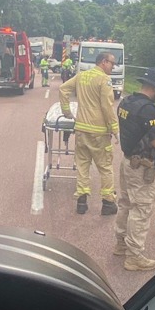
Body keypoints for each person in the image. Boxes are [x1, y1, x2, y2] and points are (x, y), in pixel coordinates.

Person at [115, 68, 155, 271]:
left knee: (125, 203)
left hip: (127, 161)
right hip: (141, 166)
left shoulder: (127, 102)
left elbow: (137, 130)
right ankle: (134, 256)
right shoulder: (149, 109)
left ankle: (121, 244)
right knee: (141, 209)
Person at [59, 52, 120, 215]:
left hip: (81, 130)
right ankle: (108, 203)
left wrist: (66, 111)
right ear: (103, 62)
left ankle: (81, 202)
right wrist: (115, 129)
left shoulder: (81, 76)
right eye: (112, 63)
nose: (113, 67)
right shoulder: (104, 80)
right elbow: (107, 107)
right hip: (99, 132)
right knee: (105, 167)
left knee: (82, 165)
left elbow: (63, 88)